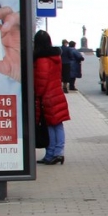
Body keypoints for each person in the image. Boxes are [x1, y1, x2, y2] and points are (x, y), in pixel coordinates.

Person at [33, 30, 70, 165]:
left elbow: (41, 81)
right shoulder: (55, 57)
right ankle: (59, 153)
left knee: (49, 126)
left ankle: (50, 155)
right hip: (56, 94)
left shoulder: (42, 59)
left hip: (47, 97)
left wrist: (36, 94)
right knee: (57, 124)